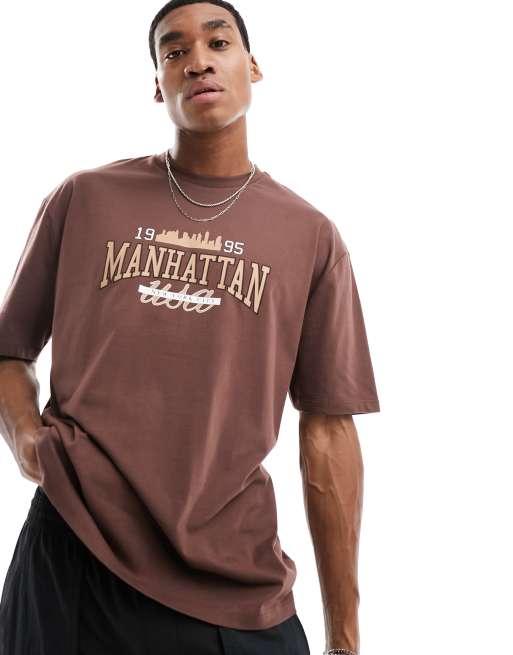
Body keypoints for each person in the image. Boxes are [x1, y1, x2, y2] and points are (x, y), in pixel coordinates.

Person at [0, 1, 380, 653]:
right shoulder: (84, 198)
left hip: (234, 584)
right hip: (73, 554)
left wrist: (343, 637)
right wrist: (28, 441)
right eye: (174, 52)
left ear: (252, 66)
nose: (197, 61)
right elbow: (9, 349)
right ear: (158, 85)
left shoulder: (310, 236)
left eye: (218, 43)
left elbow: (327, 429)